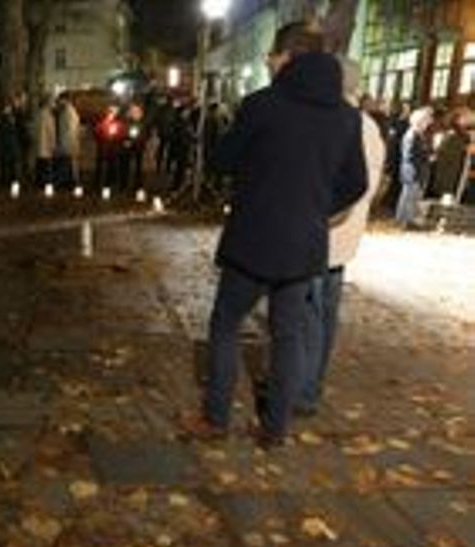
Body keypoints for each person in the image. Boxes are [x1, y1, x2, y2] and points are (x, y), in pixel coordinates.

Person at [180, 22, 367, 447]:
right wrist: (316, 207)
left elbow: (223, 161)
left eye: (272, 54)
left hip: (254, 239)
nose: (267, 61)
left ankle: (215, 418)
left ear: (289, 57)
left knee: (226, 324)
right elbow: (355, 183)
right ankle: (275, 428)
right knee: (288, 335)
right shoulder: (346, 117)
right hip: (305, 244)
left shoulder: (262, 105)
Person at [299, 58, 386, 417]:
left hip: (324, 234)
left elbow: (343, 185)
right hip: (344, 239)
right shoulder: (368, 127)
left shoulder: (342, 123)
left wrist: (312, 216)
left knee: (309, 316)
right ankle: (310, 384)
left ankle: (302, 390)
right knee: (325, 316)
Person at [394, 106, 433, 228]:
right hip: (412, 170)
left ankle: (407, 220)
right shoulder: (412, 135)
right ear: (419, 121)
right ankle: (404, 220)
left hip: (417, 170)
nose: (427, 124)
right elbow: (410, 155)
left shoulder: (419, 135)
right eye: (426, 121)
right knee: (408, 197)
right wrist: (427, 157)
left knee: (413, 196)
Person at [54, 94, 81, 188]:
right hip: (67, 143)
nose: (58, 103)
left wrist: (62, 143)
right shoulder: (66, 111)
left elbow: (69, 130)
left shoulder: (69, 112)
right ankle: (68, 181)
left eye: (60, 100)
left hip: (68, 143)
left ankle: (72, 182)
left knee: (69, 164)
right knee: (68, 164)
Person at [32, 96, 57, 187]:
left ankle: (38, 182)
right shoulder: (49, 116)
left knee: (39, 165)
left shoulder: (37, 115)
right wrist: (53, 144)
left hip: (38, 145)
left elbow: (33, 130)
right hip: (46, 146)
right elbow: (51, 132)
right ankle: (46, 182)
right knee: (46, 166)